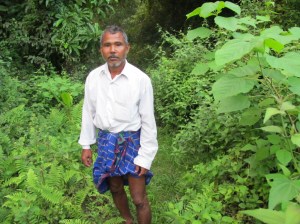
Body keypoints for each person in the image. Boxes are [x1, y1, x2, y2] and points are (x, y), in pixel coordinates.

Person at [78, 25, 158, 224]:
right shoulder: (93, 78)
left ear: (127, 48)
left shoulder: (140, 80)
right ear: (101, 50)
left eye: (118, 44)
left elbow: (148, 120)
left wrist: (145, 156)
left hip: (132, 142)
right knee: (114, 187)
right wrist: (86, 145)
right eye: (107, 45)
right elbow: (88, 112)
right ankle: (127, 220)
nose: (112, 50)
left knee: (139, 198)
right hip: (106, 141)